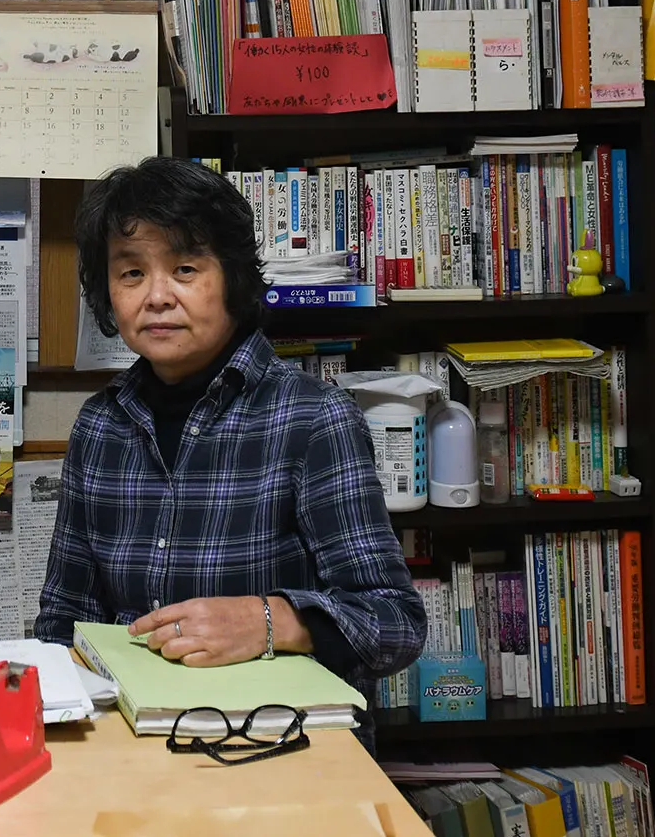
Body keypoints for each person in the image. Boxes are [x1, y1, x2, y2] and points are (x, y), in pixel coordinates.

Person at [34, 156, 424, 728]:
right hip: (133, 739)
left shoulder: (314, 418)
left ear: (233, 279)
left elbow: (395, 624)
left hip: (276, 740)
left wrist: (271, 621)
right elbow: (65, 618)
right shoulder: (100, 426)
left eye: (186, 268)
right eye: (131, 273)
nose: (157, 296)